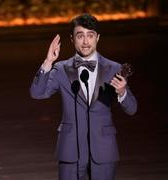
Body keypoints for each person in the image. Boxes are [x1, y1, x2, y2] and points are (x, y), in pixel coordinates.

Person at [30, 13, 137, 180]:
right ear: (72, 39)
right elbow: (37, 93)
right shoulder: (60, 69)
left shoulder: (114, 68)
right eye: (80, 36)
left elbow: (132, 109)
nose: (86, 42)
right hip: (70, 150)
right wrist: (48, 62)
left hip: (103, 150)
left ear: (98, 38)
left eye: (90, 35)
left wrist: (122, 92)